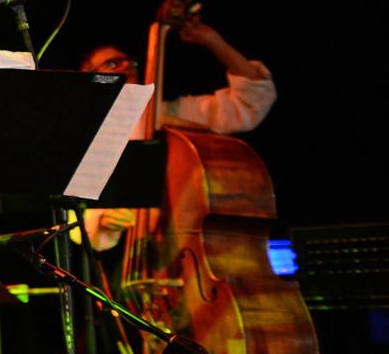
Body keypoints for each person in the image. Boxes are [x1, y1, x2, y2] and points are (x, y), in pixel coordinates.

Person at [76, 24, 277, 250]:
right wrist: (103, 221)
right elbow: (77, 219)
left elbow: (251, 101)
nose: (126, 66)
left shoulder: (172, 115)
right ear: (89, 78)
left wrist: (214, 41)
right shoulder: (89, 137)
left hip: (191, 242)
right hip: (137, 253)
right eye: (112, 64)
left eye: (129, 62)